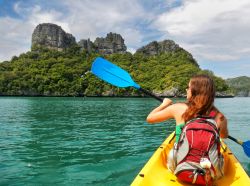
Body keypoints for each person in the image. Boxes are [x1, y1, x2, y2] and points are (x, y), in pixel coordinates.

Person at [146, 74, 228, 173]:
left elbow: (150, 118)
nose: (186, 90)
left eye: (188, 87)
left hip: (180, 167)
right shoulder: (220, 117)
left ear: (195, 91)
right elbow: (223, 136)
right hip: (209, 171)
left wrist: (164, 104)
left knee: (173, 152)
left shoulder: (178, 108)